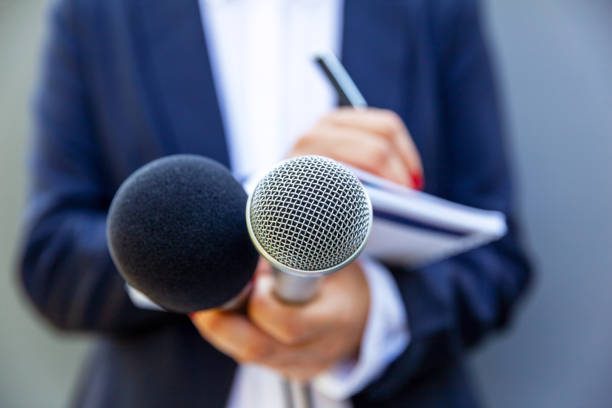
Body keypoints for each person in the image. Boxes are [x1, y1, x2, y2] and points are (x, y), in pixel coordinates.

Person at [17, 0, 531, 407]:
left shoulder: (435, 9)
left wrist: (375, 314)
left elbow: (497, 258)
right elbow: (52, 263)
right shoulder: (95, 12)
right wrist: (236, 220)